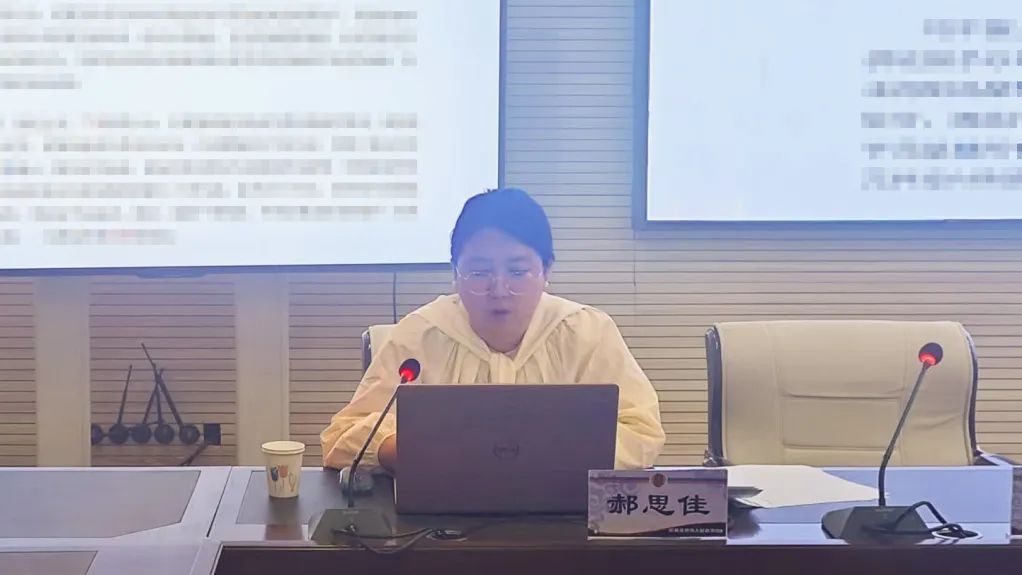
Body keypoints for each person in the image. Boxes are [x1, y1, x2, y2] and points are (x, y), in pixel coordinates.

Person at [320, 188, 665, 471]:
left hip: (563, 517)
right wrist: (408, 452)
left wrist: (543, 454)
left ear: (546, 271)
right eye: (480, 272)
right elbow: (341, 437)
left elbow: (641, 434)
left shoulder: (587, 332)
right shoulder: (420, 335)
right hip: (438, 522)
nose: (499, 289)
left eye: (517, 271)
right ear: (455, 273)